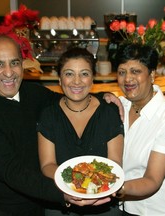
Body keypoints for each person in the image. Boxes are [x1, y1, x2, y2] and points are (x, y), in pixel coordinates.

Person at [0, 35, 113, 216]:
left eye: (14, 63)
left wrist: (104, 97)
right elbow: (12, 171)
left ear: (22, 64)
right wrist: (64, 194)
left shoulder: (31, 92)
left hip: (35, 202)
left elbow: (66, 101)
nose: (9, 72)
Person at [37, 47, 124, 216]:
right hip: (60, 202)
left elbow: (115, 161)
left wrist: (97, 186)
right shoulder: (48, 114)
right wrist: (73, 185)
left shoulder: (108, 112)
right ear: (60, 79)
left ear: (92, 79)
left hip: (103, 201)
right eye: (69, 74)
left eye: (84, 74)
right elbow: (47, 165)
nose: (77, 81)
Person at [111, 43, 165, 215]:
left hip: (159, 210)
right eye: (122, 72)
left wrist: (111, 188)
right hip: (123, 208)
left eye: (136, 71)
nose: (127, 79)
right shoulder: (119, 105)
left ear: (152, 74)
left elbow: (152, 180)